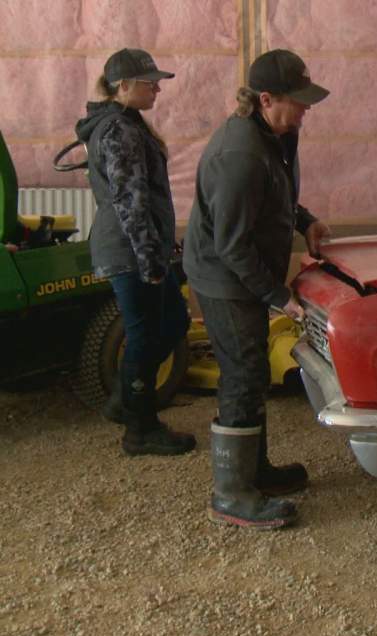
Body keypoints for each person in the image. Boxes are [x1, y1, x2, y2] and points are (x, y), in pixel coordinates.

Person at [184, 49, 330, 530]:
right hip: (224, 278)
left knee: (253, 368)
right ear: (266, 99)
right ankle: (231, 493)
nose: (306, 109)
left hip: (239, 269)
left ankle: (256, 471)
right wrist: (276, 294)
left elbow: (277, 196)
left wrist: (304, 221)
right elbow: (231, 245)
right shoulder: (240, 155)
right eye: (299, 101)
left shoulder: (274, 134)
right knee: (244, 372)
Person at [75, 48, 195, 456]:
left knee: (173, 322)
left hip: (139, 247)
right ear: (123, 86)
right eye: (150, 82)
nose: (157, 88)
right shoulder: (118, 130)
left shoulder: (125, 124)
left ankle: (127, 399)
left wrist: (162, 246)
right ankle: (140, 430)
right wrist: (150, 261)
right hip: (130, 252)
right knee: (144, 336)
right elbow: (130, 200)